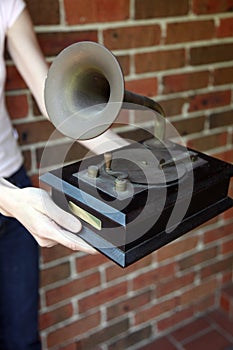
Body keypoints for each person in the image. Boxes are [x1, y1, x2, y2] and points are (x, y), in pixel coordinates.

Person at [0, 1, 128, 349]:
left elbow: (54, 97)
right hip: (12, 198)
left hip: (14, 185)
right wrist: (7, 199)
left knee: (22, 339)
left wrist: (119, 147)